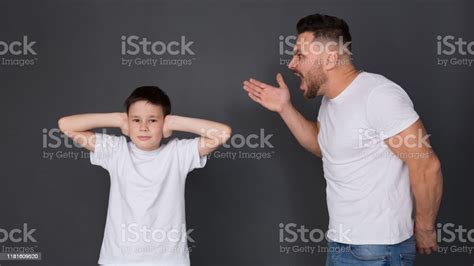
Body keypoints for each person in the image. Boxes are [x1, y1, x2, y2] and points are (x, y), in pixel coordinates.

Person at [243, 13, 443, 265]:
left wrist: (424, 229)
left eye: (300, 56)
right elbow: (324, 146)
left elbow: (426, 166)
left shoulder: (378, 95)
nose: (292, 64)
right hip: (343, 243)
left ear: (330, 59)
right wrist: (285, 108)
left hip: (375, 248)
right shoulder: (331, 100)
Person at [58, 86, 231, 266]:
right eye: (136, 120)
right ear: (127, 122)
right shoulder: (116, 151)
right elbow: (65, 125)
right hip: (118, 260)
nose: (143, 127)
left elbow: (223, 134)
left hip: (169, 261)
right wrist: (117, 119)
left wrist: (174, 122)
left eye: (153, 120)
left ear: (164, 123)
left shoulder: (178, 153)